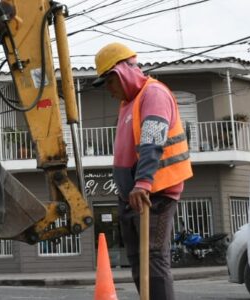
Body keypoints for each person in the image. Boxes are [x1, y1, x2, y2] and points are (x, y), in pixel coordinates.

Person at [93, 42, 193, 300]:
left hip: (154, 193)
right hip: (134, 196)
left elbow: (152, 138)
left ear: (119, 74)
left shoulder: (153, 94)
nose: (109, 90)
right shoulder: (129, 102)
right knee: (138, 262)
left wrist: (143, 183)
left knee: (154, 259)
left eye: (109, 83)